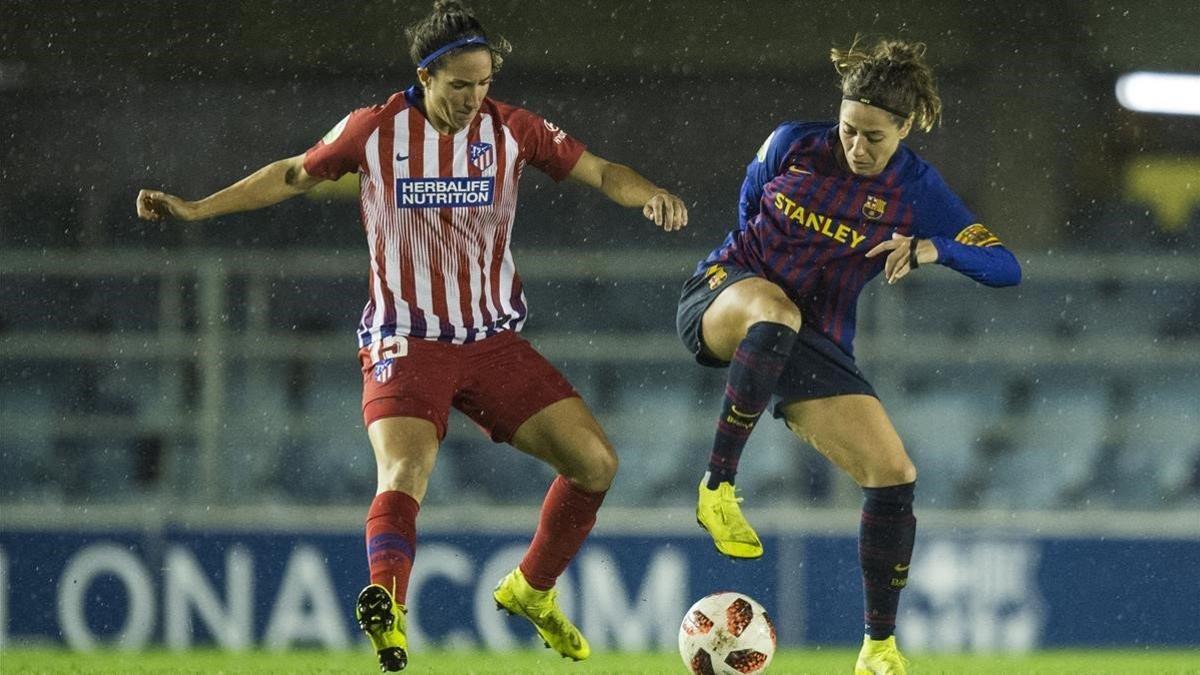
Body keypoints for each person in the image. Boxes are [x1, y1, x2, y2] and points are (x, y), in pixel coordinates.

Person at [136, 1, 687, 670]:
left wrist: (650, 191)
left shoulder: (512, 129)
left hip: (491, 340)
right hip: (405, 337)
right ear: (425, 76)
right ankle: (388, 607)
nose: (472, 97)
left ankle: (532, 588)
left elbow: (601, 171)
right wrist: (197, 208)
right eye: (459, 84)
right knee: (405, 468)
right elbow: (291, 174)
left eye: (483, 82)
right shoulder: (375, 130)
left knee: (596, 463)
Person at [675, 37, 1020, 675]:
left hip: (813, 338)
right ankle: (717, 486)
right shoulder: (790, 144)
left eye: (874, 138)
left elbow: (1006, 267)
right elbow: (747, 212)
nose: (856, 148)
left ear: (906, 128)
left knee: (893, 473)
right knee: (773, 311)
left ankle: (878, 649)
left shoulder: (919, 191)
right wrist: (759, 279)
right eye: (847, 130)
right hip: (725, 293)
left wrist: (933, 249)